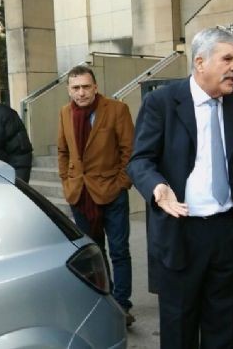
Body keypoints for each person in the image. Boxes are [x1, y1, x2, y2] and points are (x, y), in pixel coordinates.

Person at [127, 27, 233, 349]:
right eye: (227, 59)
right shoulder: (162, 102)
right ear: (200, 62)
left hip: (228, 232)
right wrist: (158, 187)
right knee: (179, 328)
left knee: (225, 329)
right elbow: (139, 161)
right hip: (181, 232)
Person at [56, 65, 136, 325]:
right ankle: (103, 300)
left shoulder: (116, 109)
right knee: (92, 252)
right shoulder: (65, 112)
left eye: (86, 87)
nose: (81, 93)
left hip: (111, 191)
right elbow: (63, 151)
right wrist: (67, 181)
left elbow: (129, 151)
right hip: (80, 194)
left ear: (95, 87)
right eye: (76, 88)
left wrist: (121, 183)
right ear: (69, 90)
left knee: (119, 251)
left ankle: (121, 305)